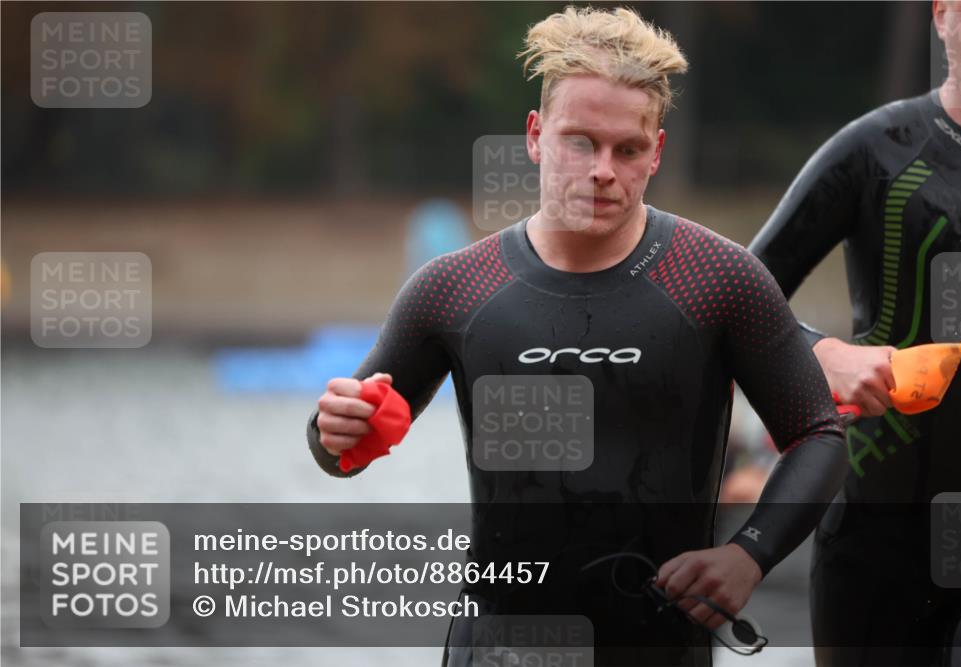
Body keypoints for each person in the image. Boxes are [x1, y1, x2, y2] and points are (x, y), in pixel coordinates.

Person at [308, 7, 848, 666]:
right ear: (536, 136)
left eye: (627, 148)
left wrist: (749, 554)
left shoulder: (718, 278)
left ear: (658, 151)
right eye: (580, 142)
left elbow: (818, 433)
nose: (602, 169)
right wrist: (336, 430)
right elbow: (340, 451)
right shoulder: (453, 288)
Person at [748, 2, 961, 665]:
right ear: (942, 16)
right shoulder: (875, 150)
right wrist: (823, 352)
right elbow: (737, 298)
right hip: (877, 534)